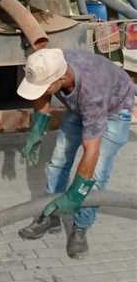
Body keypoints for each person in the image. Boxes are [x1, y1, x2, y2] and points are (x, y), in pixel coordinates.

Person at [17, 48, 134, 259]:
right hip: (81, 106)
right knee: (58, 162)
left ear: (60, 78)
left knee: (95, 176)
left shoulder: (92, 92)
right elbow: (41, 93)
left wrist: (75, 194)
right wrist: (37, 129)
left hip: (113, 110)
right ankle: (50, 216)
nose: (41, 91)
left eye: (44, 87)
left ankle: (80, 228)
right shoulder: (50, 62)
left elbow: (92, 149)